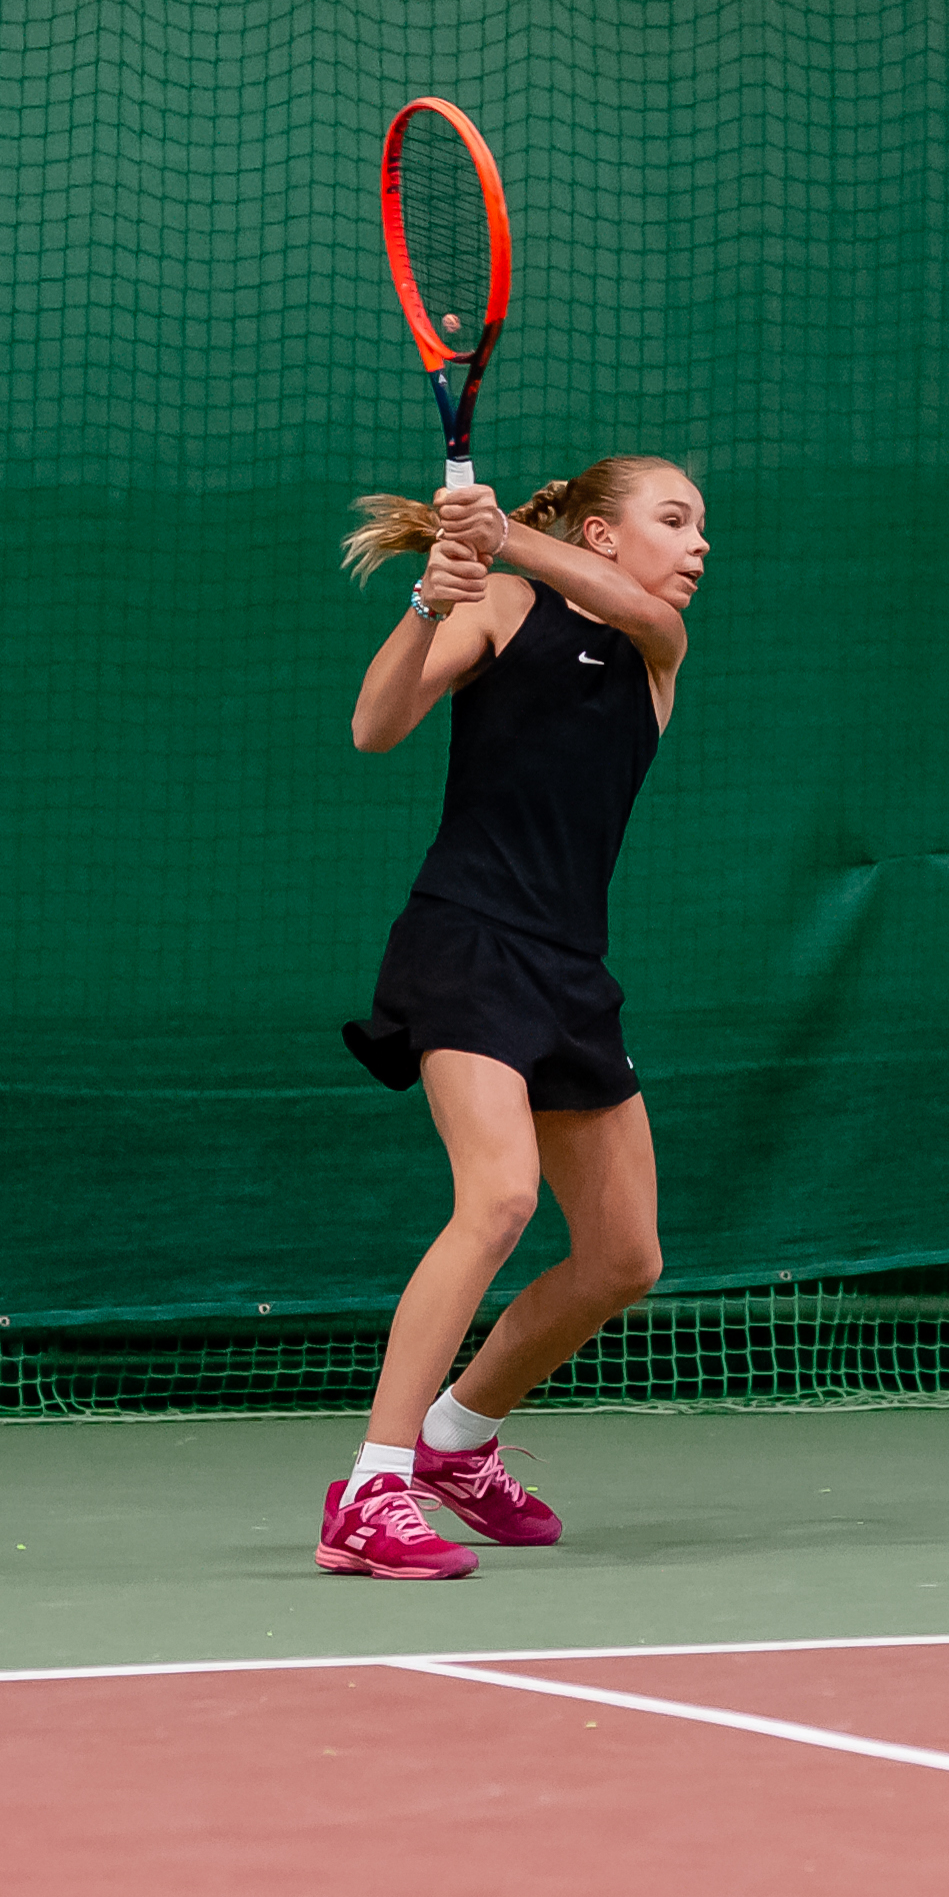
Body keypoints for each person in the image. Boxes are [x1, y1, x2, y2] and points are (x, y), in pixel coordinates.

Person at [317, 456, 709, 1579]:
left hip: (570, 969)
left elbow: (633, 607)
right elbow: (375, 726)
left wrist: (499, 532)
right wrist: (430, 598)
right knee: (497, 1195)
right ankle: (372, 1486)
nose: (699, 544)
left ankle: (456, 1437)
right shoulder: (498, 603)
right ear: (602, 531)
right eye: (674, 519)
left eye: (701, 526)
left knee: (624, 1255)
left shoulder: (656, 646)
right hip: (468, 941)